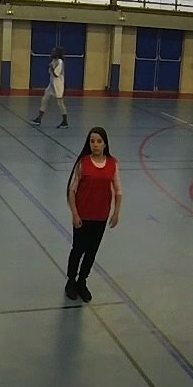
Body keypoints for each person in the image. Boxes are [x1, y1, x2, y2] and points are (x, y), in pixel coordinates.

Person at [66, 127, 121, 303]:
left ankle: (83, 281)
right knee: (77, 250)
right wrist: (75, 214)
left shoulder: (113, 164)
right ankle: (71, 281)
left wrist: (116, 213)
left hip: (101, 217)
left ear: (105, 144)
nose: (95, 145)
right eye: (92, 141)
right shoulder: (83, 163)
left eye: (98, 141)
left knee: (91, 252)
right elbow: (72, 189)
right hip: (83, 216)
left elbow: (118, 190)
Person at [30, 48, 69, 130]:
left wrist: (51, 67)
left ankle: (65, 121)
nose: (52, 53)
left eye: (54, 52)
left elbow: (56, 74)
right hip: (51, 85)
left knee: (60, 103)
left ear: (58, 54)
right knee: (44, 99)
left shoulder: (60, 62)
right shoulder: (54, 61)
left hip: (58, 86)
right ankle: (39, 119)